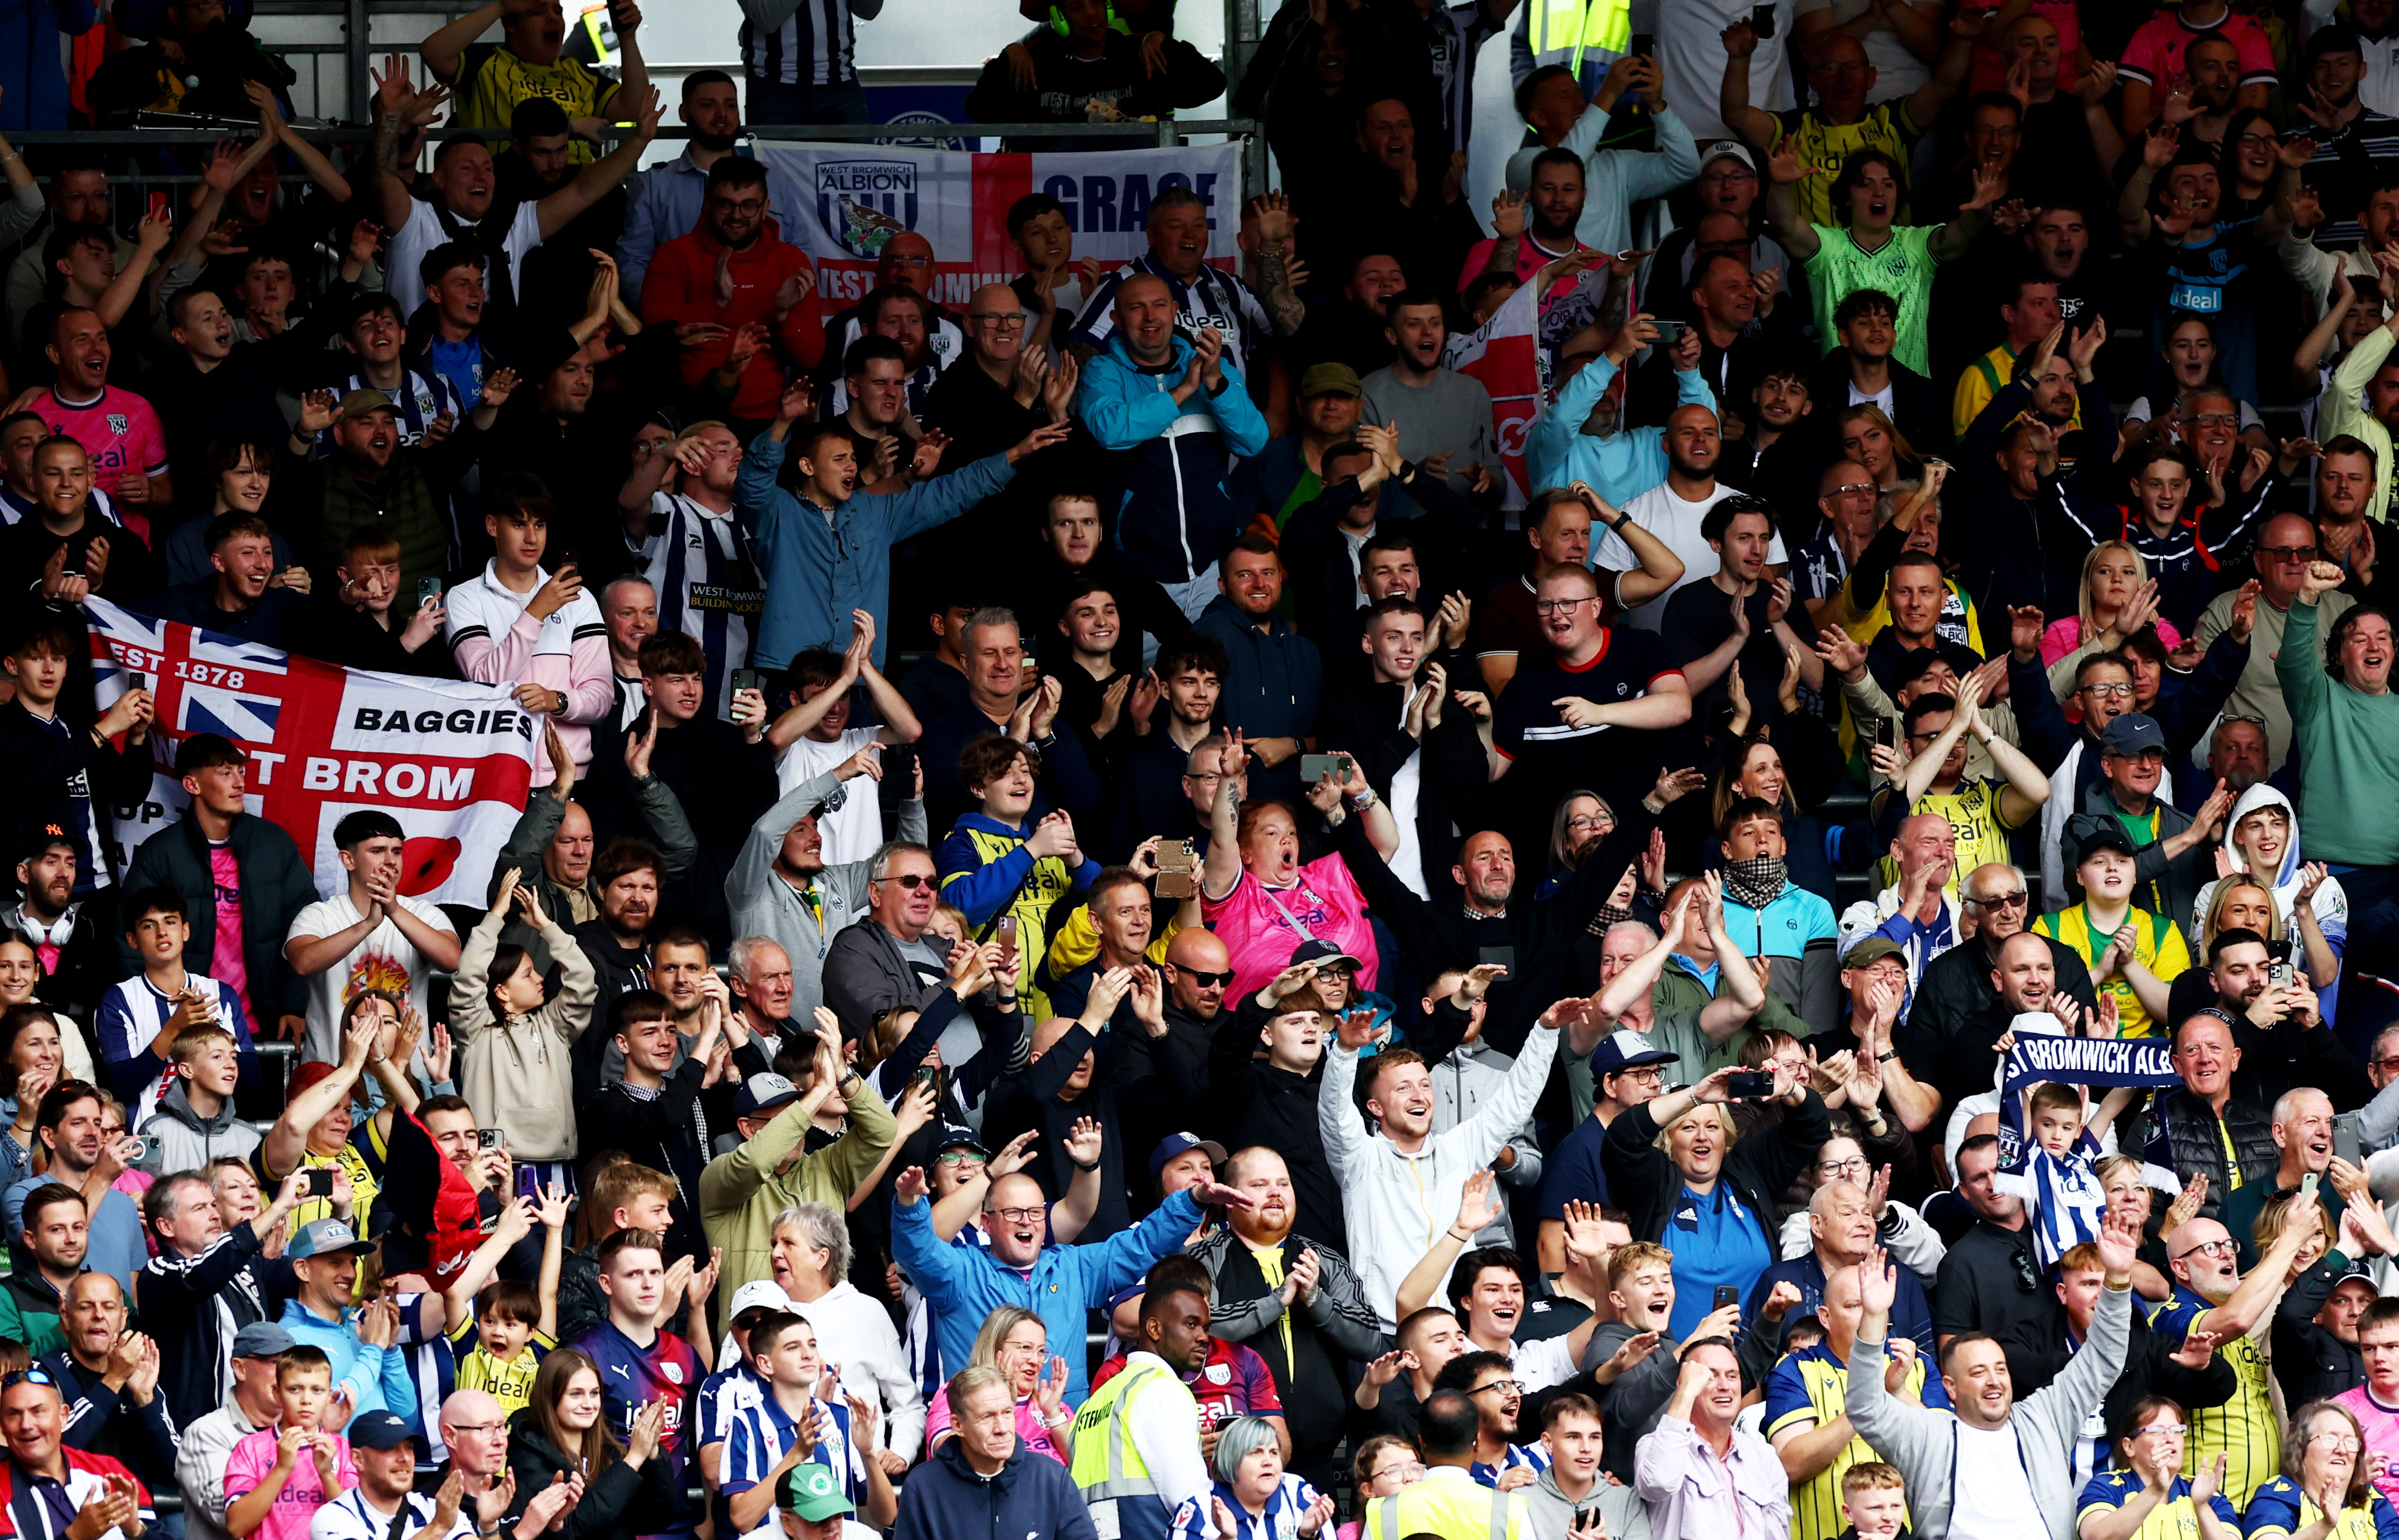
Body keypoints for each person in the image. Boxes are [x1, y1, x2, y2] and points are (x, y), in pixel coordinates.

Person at [740, 381, 1068, 676]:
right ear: (807, 466)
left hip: (860, 676)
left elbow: (950, 493)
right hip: (791, 671)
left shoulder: (874, 512)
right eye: (839, 459)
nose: (852, 466)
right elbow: (752, 484)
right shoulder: (778, 511)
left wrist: (1015, 453)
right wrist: (783, 423)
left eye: (853, 458)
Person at [1851, 1212, 2140, 1540]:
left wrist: (2117, 1280)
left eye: (2000, 1369)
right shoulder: (1929, 1434)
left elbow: (2103, 1360)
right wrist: (1874, 1318)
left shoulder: (2045, 1417)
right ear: (1951, 1387)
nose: (1994, 1380)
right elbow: (1866, 1408)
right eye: (1978, 1372)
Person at [1075, 274, 1274, 618]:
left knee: (1215, 669)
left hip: (1214, 568)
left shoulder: (1216, 368)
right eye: (1137, 308)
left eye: (1159, 306)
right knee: (1150, 672)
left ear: (1175, 311)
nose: (1150, 317)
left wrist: (1213, 381)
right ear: (1117, 320)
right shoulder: (1102, 371)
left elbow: (1253, 441)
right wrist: (1182, 392)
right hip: (1141, 574)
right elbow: (1109, 431)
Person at [120, 736, 314, 1049]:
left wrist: (294, 1004)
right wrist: (158, 1018)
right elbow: (129, 941)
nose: (239, 783)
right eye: (225, 774)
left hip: (265, 1028)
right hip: (187, 1030)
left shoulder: (273, 844)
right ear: (192, 785)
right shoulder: (161, 853)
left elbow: (307, 926)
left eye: (241, 772)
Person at [698, 1013, 897, 1305]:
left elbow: (883, 1131)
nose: (796, 1125)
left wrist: (843, 1074)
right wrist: (817, 1091)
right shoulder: (720, 1174)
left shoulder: (826, 1167)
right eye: (782, 1119)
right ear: (746, 1128)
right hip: (757, 1339)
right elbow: (755, 1162)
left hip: (829, 1339)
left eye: (798, 1113)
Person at [1767, 1260, 1953, 1540]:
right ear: (1825, 1317)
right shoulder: (1794, 1369)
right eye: (1855, 1306)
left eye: (1875, 1304)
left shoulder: (1917, 1364)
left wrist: (1899, 1393)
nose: (1869, 1315)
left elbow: (1948, 1453)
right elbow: (1791, 1465)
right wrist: (1869, 1397)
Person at [141, 1167, 313, 1434]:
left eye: (213, 1205)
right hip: (192, 1438)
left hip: (256, 1433)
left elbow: (313, 1276)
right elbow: (201, 1275)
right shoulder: (159, 1273)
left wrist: (342, 1212)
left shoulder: (246, 1268)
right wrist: (278, 1207)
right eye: (199, 1208)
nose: (214, 1214)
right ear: (166, 1226)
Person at [284, 811, 463, 1066]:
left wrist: (395, 911)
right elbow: (303, 962)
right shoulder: (319, 915)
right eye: (378, 851)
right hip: (334, 1077)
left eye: (397, 851)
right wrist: (368, 924)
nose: (391, 861)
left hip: (409, 1077)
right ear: (348, 860)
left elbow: (453, 961)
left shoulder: (423, 913)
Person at [1069, 1262, 1231, 1540]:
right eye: (1191, 1324)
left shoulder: (1093, 1404)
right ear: (1154, 1329)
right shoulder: (1161, 1389)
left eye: (1206, 1326)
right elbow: (1190, 1500)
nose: (1204, 1337)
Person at [892, 1366, 1097, 1540]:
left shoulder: (1051, 1478)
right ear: (957, 1425)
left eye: (1007, 1412)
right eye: (987, 1417)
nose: (1002, 1428)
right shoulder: (923, 1486)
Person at [1635, 1337, 1792, 1539]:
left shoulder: (1764, 1456)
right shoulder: (1654, 1446)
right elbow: (1659, 1483)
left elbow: (1778, 1533)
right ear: (1685, 1383)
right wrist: (1685, 1393)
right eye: (1710, 1376)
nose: (1725, 1385)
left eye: (1732, 1375)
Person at [0, 1367, 154, 1540]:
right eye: (14, 1414)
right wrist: (75, 1537)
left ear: (63, 1416)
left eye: (38, 1411)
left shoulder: (107, 1470)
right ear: (3, 1427)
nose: (26, 1425)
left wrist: (136, 1531)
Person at [223, 1345, 356, 1540]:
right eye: (294, 1389)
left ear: (329, 1396)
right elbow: (236, 1526)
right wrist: (281, 1469)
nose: (306, 1400)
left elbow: (356, 1526)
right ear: (277, 1393)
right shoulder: (249, 1448)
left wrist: (327, 1475)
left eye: (317, 1390)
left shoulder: (343, 1449)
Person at [178, 1323, 296, 1540]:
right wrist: (285, 1472)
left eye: (291, 1364)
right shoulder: (207, 1433)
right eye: (275, 1363)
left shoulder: (303, 1432)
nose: (287, 1374)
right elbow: (225, 1513)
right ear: (240, 1368)